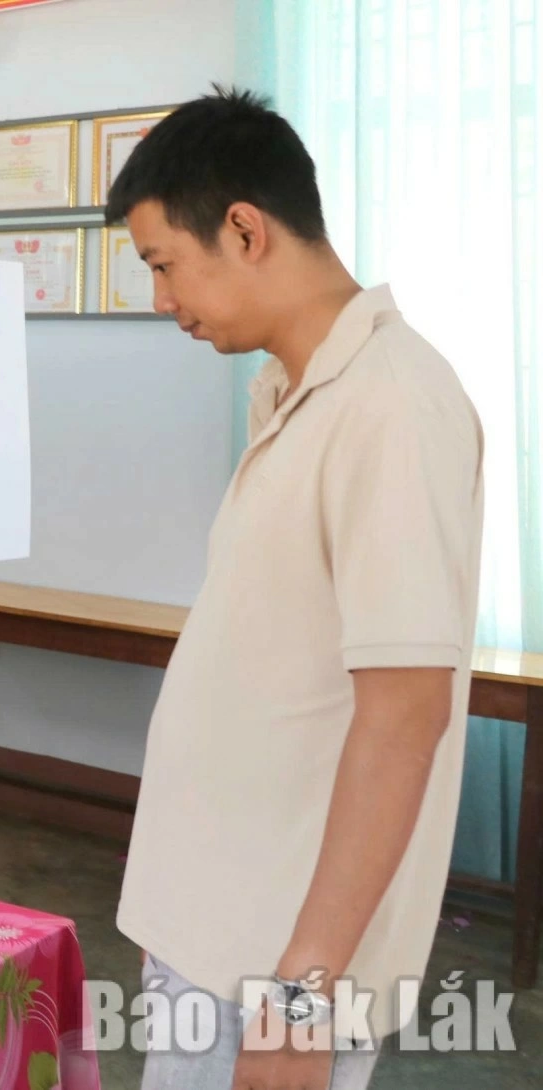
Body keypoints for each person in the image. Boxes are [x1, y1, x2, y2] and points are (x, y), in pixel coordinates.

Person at [107, 88, 483, 1090]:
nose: (161, 300)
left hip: (274, 961)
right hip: (217, 924)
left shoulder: (390, 407)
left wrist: (300, 998)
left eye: (162, 264)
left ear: (244, 229)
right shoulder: (295, 390)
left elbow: (405, 719)